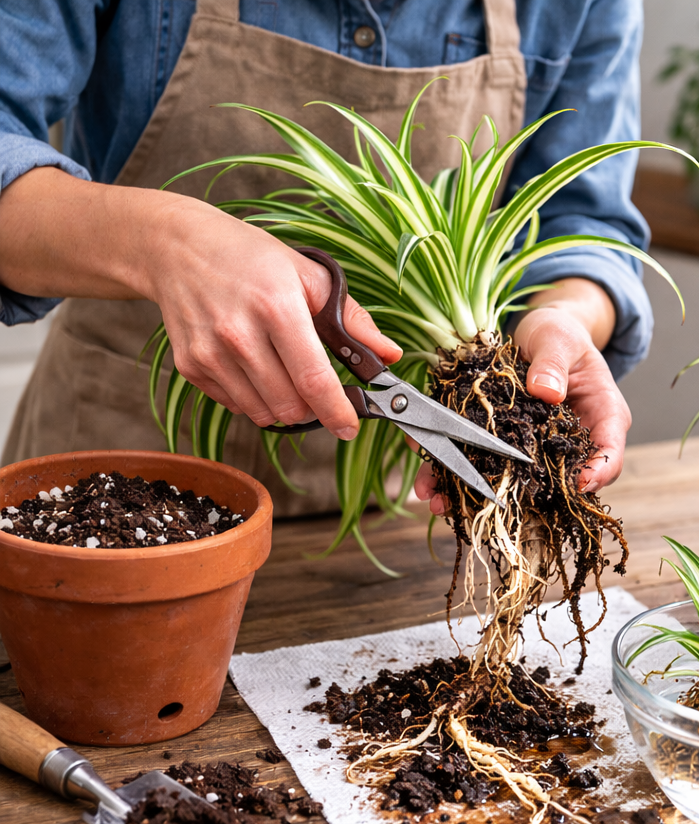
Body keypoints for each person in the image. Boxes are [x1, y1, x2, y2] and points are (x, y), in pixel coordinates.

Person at [0, 0, 653, 516]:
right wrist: (164, 243)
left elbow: (584, 224)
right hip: (112, 482)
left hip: (395, 510)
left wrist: (564, 317)